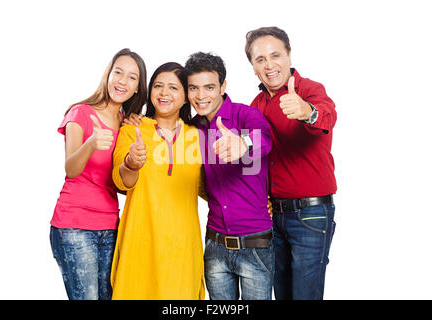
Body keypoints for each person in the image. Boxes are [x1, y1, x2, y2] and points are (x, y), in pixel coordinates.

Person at [245, 26, 337, 300]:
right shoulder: (256, 104)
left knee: (305, 295)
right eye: (260, 59)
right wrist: (262, 198)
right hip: (274, 217)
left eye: (275, 55)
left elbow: (327, 117)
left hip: (310, 214)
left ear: (288, 56)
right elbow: (255, 161)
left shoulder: (309, 90)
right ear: (252, 66)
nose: (269, 65)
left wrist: (307, 112)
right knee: (282, 293)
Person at [49, 48, 147, 300]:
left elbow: (123, 184)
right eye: (118, 72)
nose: (122, 81)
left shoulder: (128, 124)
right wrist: (91, 142)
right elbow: (71, 168)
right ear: (108, 75)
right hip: (74, 227)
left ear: (137, 88)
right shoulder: (80, 113)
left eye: (132, 77)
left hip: (111, 226)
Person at [110, 62, 205, 300]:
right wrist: (131, 162)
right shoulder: (132, 130)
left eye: (173, 88)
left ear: (186, 97)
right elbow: (123, 181)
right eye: (158, 86)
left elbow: (210, 188)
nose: (164, 93)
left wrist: (257, 202)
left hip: (182, 252)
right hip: (140, 246)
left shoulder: (197, 137)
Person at [185, 52, 274, 300]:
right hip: (214, 245)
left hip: (255, 244)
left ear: (223, 86)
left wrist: (243, 143)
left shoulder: (246, 115)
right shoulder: (193, 129)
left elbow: (265, 140)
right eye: (194, 88)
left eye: (209, 87)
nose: (201, 96)